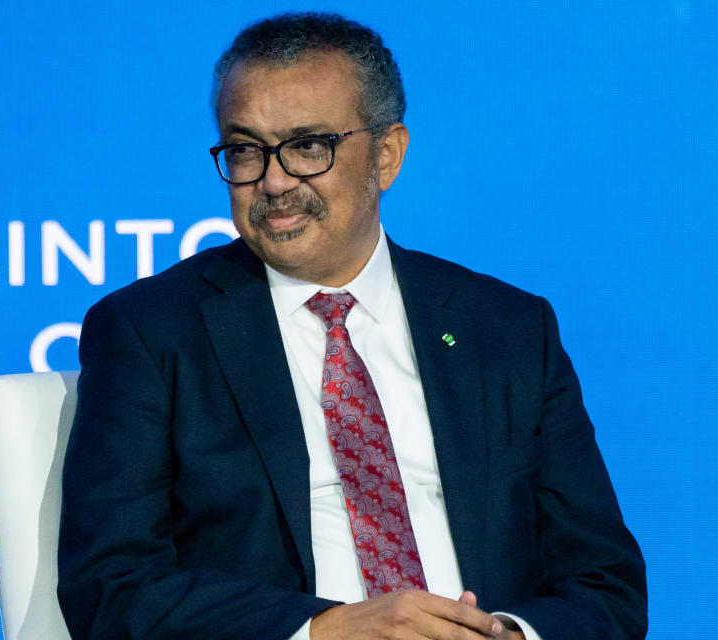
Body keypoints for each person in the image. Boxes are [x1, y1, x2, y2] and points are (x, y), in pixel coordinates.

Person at [57, 11, 646, 640]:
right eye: (245, 150)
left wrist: (505, 632)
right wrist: (323, 631)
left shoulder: (507, 329)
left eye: (309, 146)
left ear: (386, 156)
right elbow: (111, 586)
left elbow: (604, 582)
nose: (274, 181)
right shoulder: (150, 332)